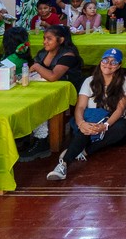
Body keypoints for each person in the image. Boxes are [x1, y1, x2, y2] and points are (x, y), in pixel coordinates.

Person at [46, 48, 126, 181]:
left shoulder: (124, 81)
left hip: (111, 124)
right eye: (105, 60)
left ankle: (84, 151)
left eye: (113, 62)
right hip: (90, 120)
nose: (108, 64)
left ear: (119, 65)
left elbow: (120, 110)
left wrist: (105, 126)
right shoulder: (89, 81)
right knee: (85, 130)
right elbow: (80, 107)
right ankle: (63, 165)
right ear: (100, 62)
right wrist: (81, 123)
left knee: (123, 128)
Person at [20, 25, 84, 161]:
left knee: (38, 101)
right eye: (44, 38)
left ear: (60, 40)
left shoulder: (68, 55)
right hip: (46, 89)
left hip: (66, 91)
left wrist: (37, 67)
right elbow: (32, 71)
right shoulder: (43, 53)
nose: (45, 42)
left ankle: (42, 141)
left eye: (49, 39)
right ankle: (23, 134)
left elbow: (53, 76)